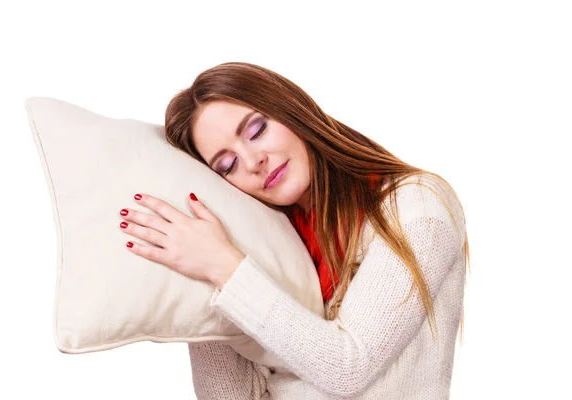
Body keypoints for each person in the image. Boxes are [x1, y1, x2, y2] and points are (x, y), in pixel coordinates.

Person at [161, 62, 469, 399]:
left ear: (292, 109)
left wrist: (224, 268)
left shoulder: (417, 206)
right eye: (227, 165)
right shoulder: (264, 248)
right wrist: (200, 273)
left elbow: (349, 367)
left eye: (256, 130)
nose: (252, 162)